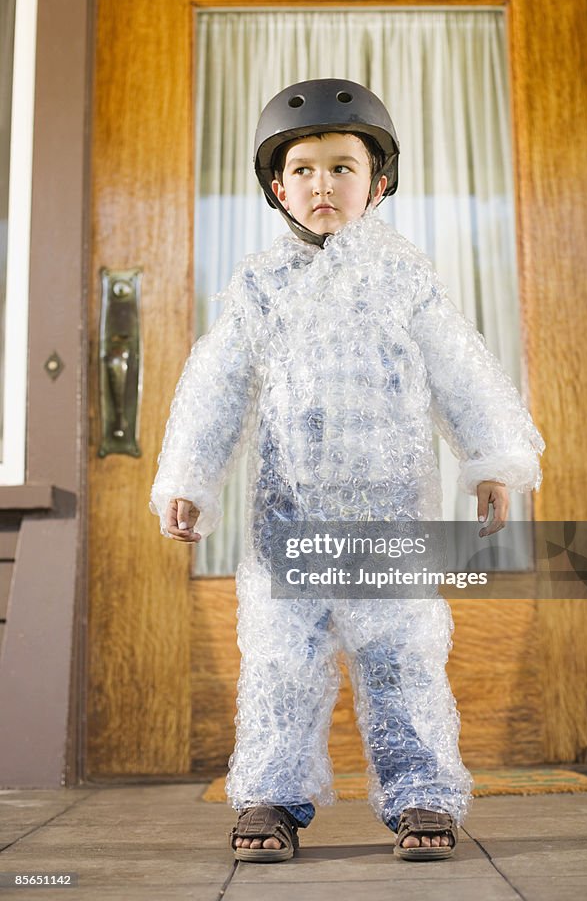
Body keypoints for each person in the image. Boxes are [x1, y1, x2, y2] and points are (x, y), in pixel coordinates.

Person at [150, 79, 545, 863]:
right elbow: (215, 387)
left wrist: (492, 458)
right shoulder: (259, 287)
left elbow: (460, 371)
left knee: (402, 657)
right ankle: (268, 797)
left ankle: (422, 794)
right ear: (276, 186)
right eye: (302, 169)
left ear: (378, 182)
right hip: (285, 520)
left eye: (341, 167)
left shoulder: (405, 281)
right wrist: (188, 479)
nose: (321, 184)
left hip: (389, 517)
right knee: (278, 662)